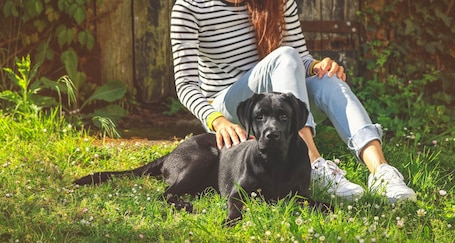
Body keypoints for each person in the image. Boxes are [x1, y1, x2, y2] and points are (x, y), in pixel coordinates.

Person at [170, 0, 416, 202]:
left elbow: (299, 60)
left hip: (275, 108)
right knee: (286, 55)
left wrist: (319, 66)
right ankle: (313, 164)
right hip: (232, 112)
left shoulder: (279, 2)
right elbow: (185, 85)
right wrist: (217, 120)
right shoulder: (191, 7)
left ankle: (382, 172)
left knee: (328, 81)